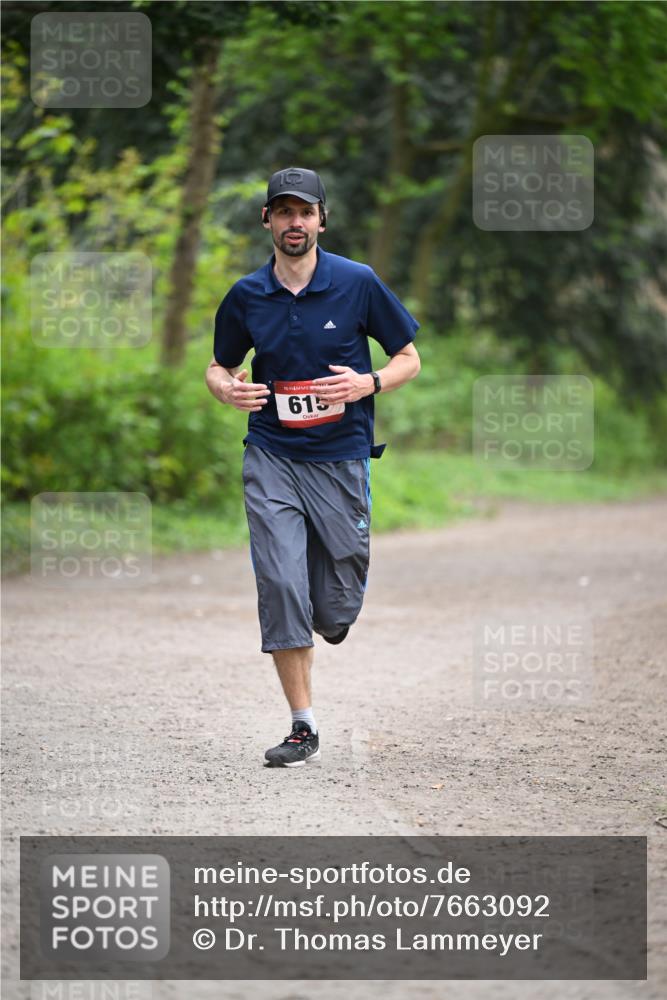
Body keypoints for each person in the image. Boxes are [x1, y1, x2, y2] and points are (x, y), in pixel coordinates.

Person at [205, 167, 420, 768]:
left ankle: (330, 614)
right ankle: (302, 725)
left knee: (334, 603)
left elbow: (409, 358)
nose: (294, 223)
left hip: (340, 458)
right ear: (268, 221)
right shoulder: (247, 295)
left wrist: (368, 382)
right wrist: (226, 389)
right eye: (283, 212)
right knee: (280, 584)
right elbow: (219, 365)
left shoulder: (357, 283)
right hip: (271, 454)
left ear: (321, 219)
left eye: (305, 212)